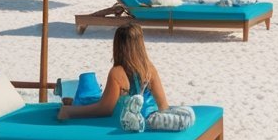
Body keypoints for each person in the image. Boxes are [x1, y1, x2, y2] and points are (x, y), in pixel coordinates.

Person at [58, 23, 192, 130]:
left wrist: (70, 112)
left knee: (88, 97)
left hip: (124, 118)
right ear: (140, 45)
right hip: (150, 113)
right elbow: (163, 105)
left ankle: (73, 104)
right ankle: (157, 119)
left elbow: (105, 109)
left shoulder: (117, 72)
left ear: (118, 45)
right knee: (93, 98)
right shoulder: (149, 68)